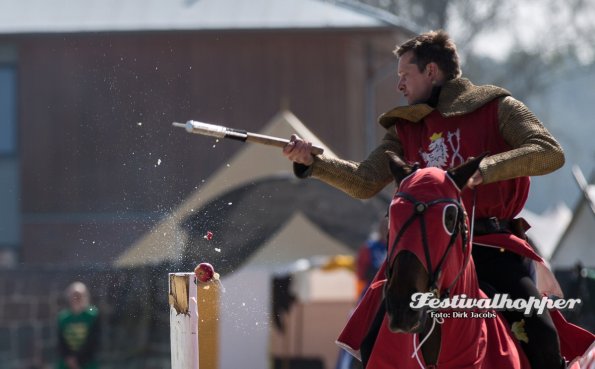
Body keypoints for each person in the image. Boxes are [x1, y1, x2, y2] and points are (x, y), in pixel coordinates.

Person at [283, 30, 587, 369]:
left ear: (431, 71)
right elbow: (365, 181)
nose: (399, 85)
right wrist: (314, 163)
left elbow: (549, 152)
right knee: (369, 340)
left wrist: (485, 169)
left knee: (543, 340)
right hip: (422, 255)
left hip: (491, 247)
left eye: (405, 75)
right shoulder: (405, 128)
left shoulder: (497, 107)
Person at [56, 282, 100, 369]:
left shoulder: (92, 315)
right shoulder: (63, 317)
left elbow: (93, 341)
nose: (76, 298)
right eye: (74, 295)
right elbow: (61, 342)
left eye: (79, 295)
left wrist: (78, 360)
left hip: (87, 362)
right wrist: (69, 359)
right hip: (67, 363)